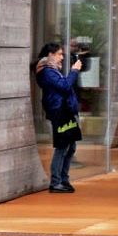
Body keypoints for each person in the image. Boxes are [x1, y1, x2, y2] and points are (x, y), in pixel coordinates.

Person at [35, 42, 83, 193]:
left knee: (71, 146)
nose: (62, 57)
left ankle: (63, 179)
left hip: (65, 110)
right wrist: (74, 71)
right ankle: (56, 182)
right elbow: (64, 86)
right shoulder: (47, 71)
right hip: (59, 111)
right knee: (62, 146)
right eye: (59, 54)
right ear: (50, 54)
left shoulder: (52, 70)